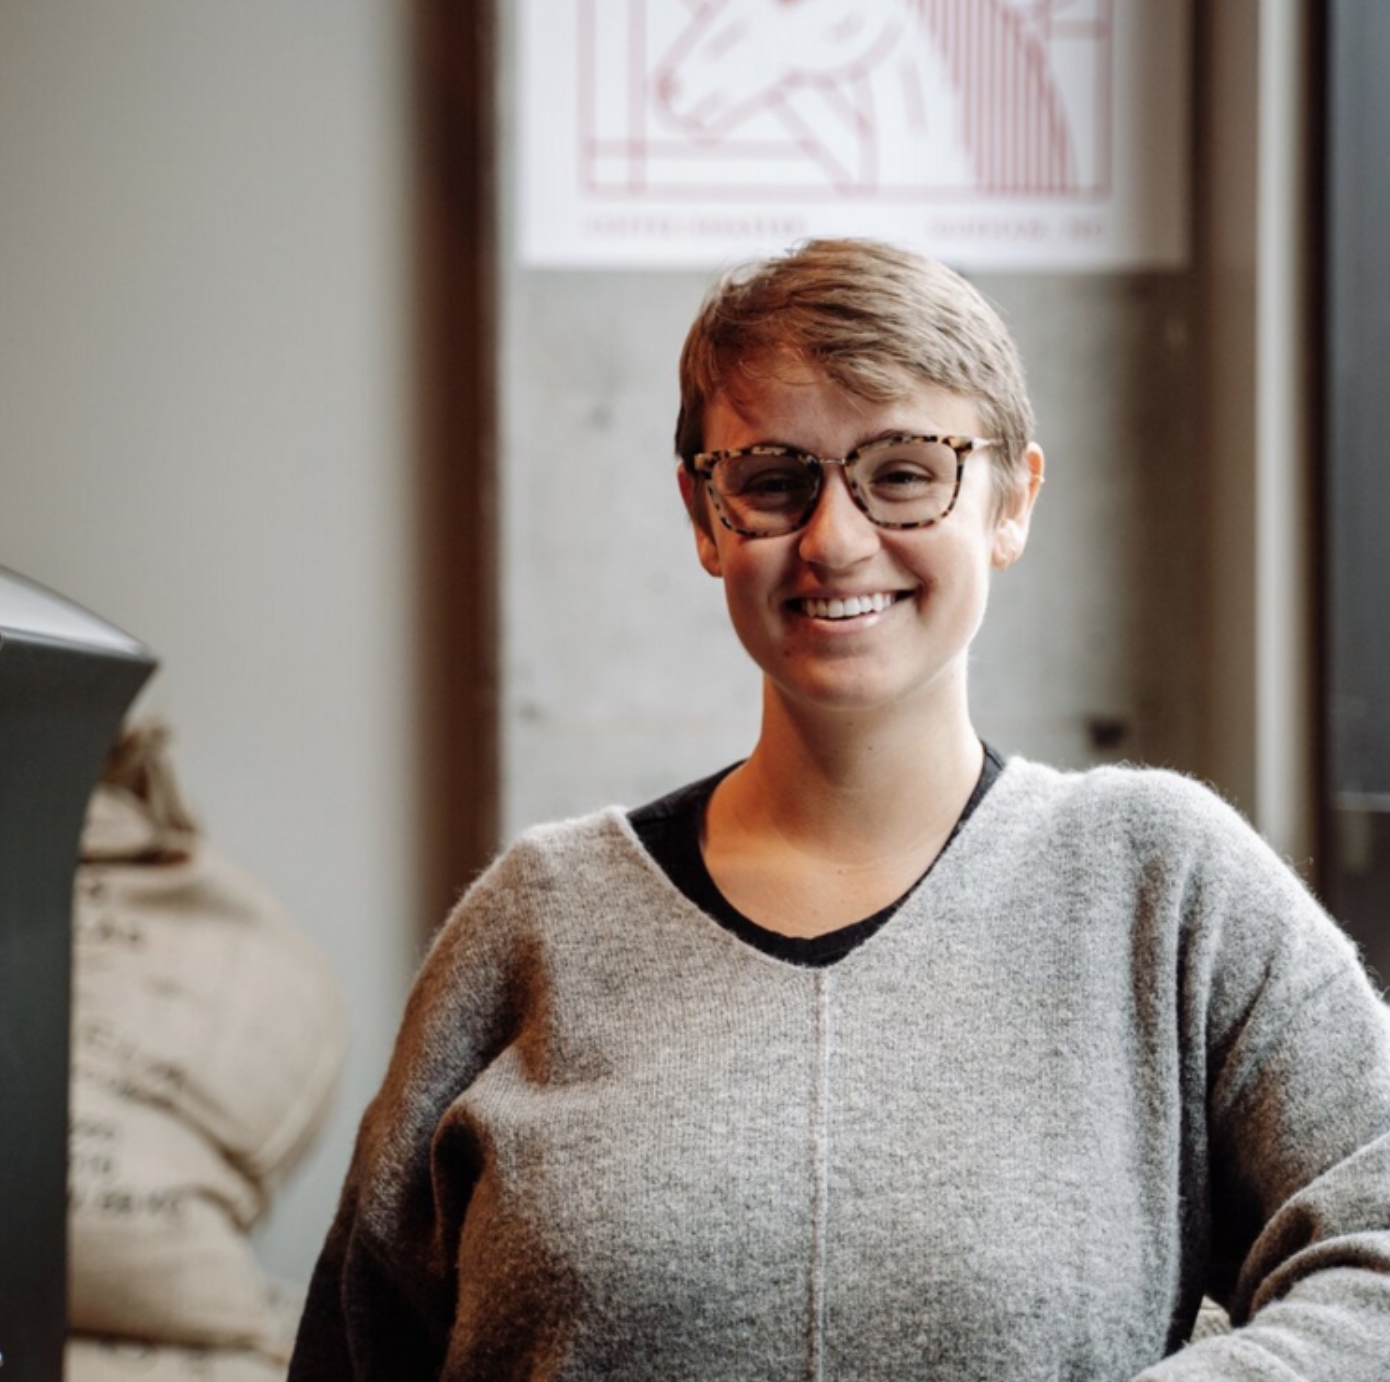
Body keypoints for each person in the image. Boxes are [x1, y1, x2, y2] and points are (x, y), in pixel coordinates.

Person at [289, 239, 1390, 1380]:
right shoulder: (537, 919)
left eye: (904, 471)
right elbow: (354, 1349)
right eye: (774, 479)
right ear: (706, 515)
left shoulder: (1161, 882)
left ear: (1011, 501)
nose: (835, 538)